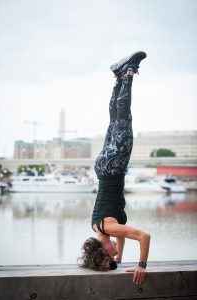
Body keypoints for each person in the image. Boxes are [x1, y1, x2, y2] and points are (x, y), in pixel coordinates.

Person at [78, 51, 151, 285]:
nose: (114, 254)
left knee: (123, 118)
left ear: (102, 247)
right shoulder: (100, 227)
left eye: (109, 254)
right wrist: (117, 256)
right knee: (113, 119)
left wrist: (141, 265)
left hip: (114, 166)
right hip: (103, 167)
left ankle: (129, 71)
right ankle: (118, 76)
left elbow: (144, 236)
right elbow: (118, 244)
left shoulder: (109, 227)